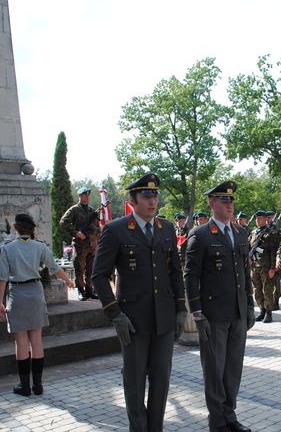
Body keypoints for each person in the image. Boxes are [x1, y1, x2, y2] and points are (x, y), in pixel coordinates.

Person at [91, 173, 187, 431]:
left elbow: (175, 272)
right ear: (132, 201)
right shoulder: (116, 230)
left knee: (161, 380)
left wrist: (180, 310)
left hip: (164, 319)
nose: (152, 201)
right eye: (146, 196)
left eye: (155, 195)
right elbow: (98, 276)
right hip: (132, 321)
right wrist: (115, 314)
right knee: (134, 381)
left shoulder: (166, 228)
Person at [185, 180, 254, 432]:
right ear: (212, 204)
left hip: (237, 312)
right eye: (224, 201)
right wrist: (197, 312)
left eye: (231, 201)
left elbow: (245, 273)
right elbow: (190, 276)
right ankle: (217, 421)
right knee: (215, 370)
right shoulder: (200, 235)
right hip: (213, 315)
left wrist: (249, 305)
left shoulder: (240, 233)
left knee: (233, 368)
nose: (229, 205)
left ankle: (229, 416)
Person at [0, 213, 75, 396]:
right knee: (36, 340)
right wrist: (68, 282)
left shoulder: (8, 248)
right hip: (36, 293)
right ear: (32, 229)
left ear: (16, 228)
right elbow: (55, 268)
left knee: (21, 341)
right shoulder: (40, 247)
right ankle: (38, 385)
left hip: (17, 294)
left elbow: (2, 278)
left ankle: (25, 386)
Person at [59, 187, 101, 301]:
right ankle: (81, 291)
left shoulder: (92, 211)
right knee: (79, 269)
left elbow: (97, 226)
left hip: (92, 244)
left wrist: (98, 237)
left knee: (90, 269)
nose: (86, 196)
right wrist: (76, 233)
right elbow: (63, 222)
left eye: (87, 194)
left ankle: (89, 290)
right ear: (79, 196)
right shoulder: (74, 210)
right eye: (84, 194)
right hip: (80, 244)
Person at [248, 210, 279, 323]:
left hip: (266, 267)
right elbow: (248, 247)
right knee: (257, 290)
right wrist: (249, 259)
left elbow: (273, 251)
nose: (257, 220)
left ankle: (269, 313)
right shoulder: (253, 232)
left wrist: (272, 268)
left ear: (266, 219)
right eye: (256, 218)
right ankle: (262, 310)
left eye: (260, 218)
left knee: (267, 290)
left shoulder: (270, 233)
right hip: (255, 267)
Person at [266, 211, 281, 310]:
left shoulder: (279, 231)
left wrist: (278, 261)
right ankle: (269, 302)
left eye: (270, 217)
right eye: (267, 218)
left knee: (276, 283)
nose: (268, 220)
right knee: (268, 283)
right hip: (266, 261)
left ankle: (276, 301)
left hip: (276, 260)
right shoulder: (265, 230)